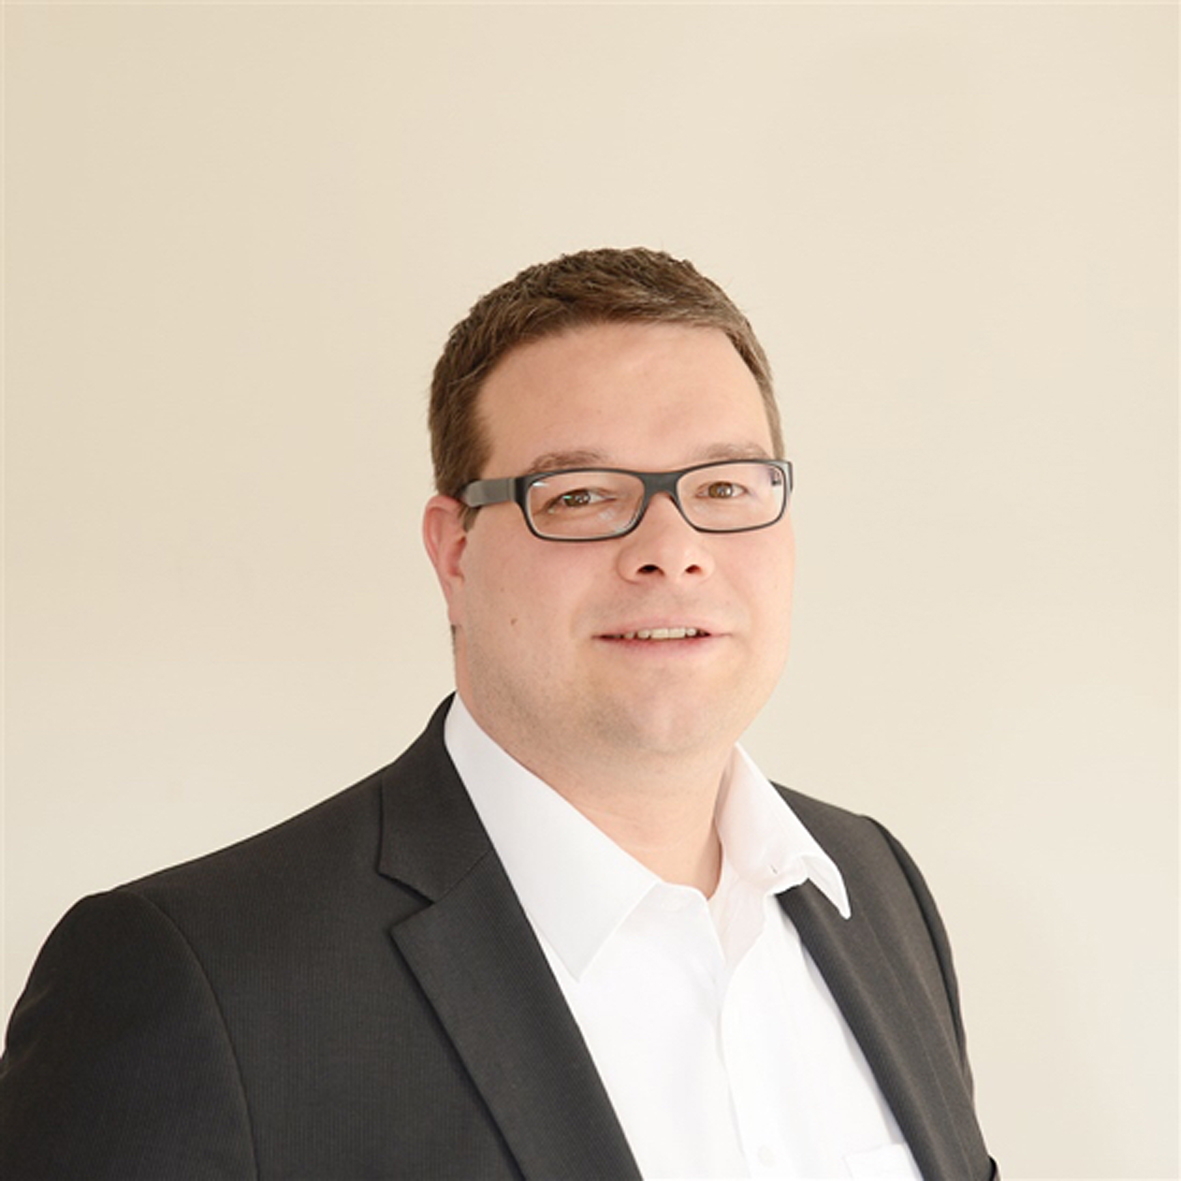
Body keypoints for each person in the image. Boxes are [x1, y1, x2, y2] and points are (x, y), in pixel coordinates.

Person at [0, 248, 997, 1180]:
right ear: (456, 552)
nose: (672, 549)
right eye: (580, 495)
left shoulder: (875, 889)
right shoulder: (194, 979)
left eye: (725, 485)